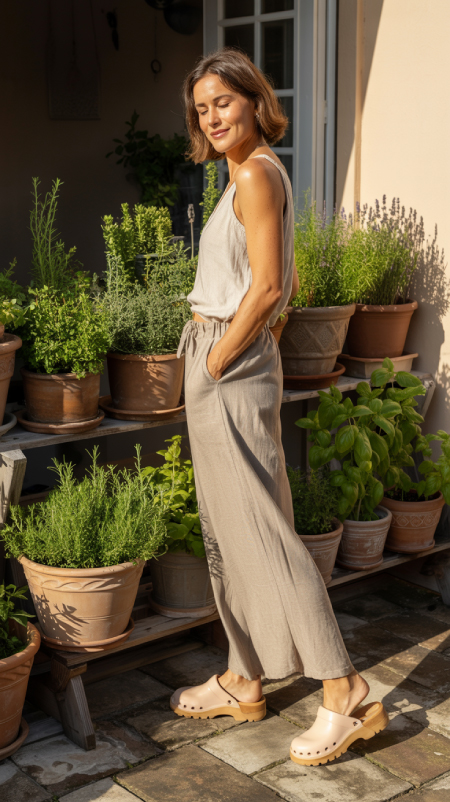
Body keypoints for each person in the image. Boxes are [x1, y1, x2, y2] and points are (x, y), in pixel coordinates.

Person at [172, 48, 388, 766]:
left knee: (262, 534)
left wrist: (219, 354)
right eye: (202, 108)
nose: (212, 116)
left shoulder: (257, 175)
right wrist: (239, 338)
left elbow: (267, 289)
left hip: (225, 366)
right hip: (227, 359)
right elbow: (284, 278)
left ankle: (344, 691)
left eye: (223, 102)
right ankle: (244, 677)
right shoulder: (246, 174)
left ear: (253, 100)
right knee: (227, 530)